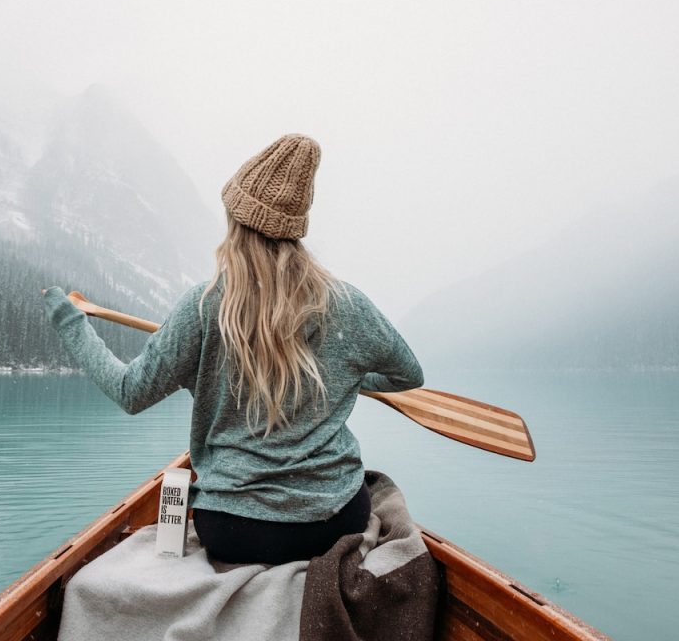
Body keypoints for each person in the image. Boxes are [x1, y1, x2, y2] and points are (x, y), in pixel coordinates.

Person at [41, 133, 424, 565]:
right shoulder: (347, 305)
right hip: (333, 522)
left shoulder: (204, 307)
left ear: (236, 221)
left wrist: (70, 322)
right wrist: (345, 376)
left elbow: (131, 392)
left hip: (235, 530)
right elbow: (408, 375)